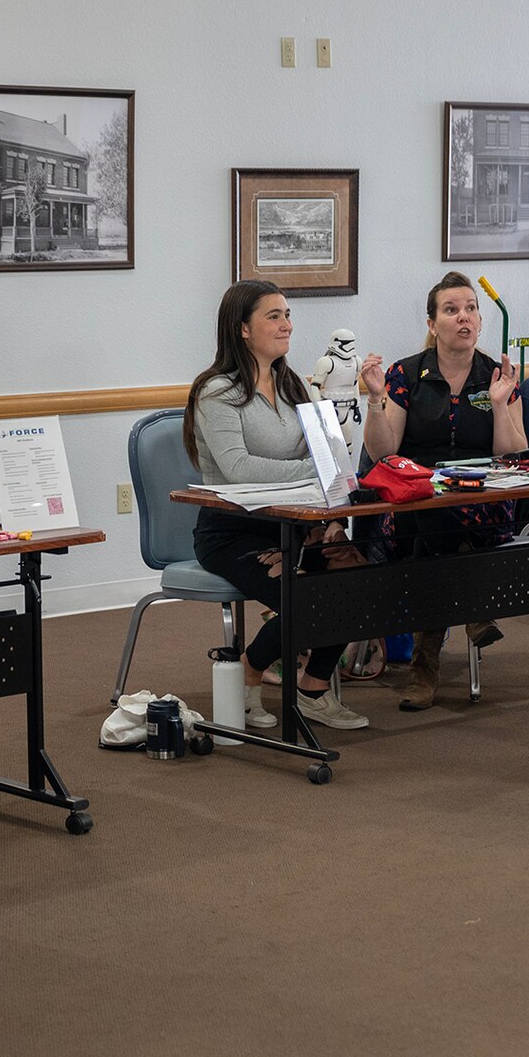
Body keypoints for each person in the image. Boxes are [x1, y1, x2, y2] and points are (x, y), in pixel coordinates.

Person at [183, 280, 369, 732]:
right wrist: (314, 475)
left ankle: (313, 690)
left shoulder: (295, 385)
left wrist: (330, 513)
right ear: (242, 329)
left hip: (297, 519)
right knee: (307, 598)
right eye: (274, 316)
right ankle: (251, 668)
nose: (287, 325)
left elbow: (325, 453)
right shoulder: (216, 391)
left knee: (357, 582)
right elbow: (238, 468)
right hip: (233, 531)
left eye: (287, 315)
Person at [359, 272, 524, 710]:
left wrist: (503, 405)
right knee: (433, 515)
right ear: (433, 324)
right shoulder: (405, 374)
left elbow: (511, 457)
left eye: (470, 308)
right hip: (415, 502)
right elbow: (383, 451)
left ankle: (424, 668)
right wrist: (375, 401)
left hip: (482, 502)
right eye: (451, 310)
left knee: (442, 527)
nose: (463, 317)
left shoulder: (498, 375)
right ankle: (472, 613)